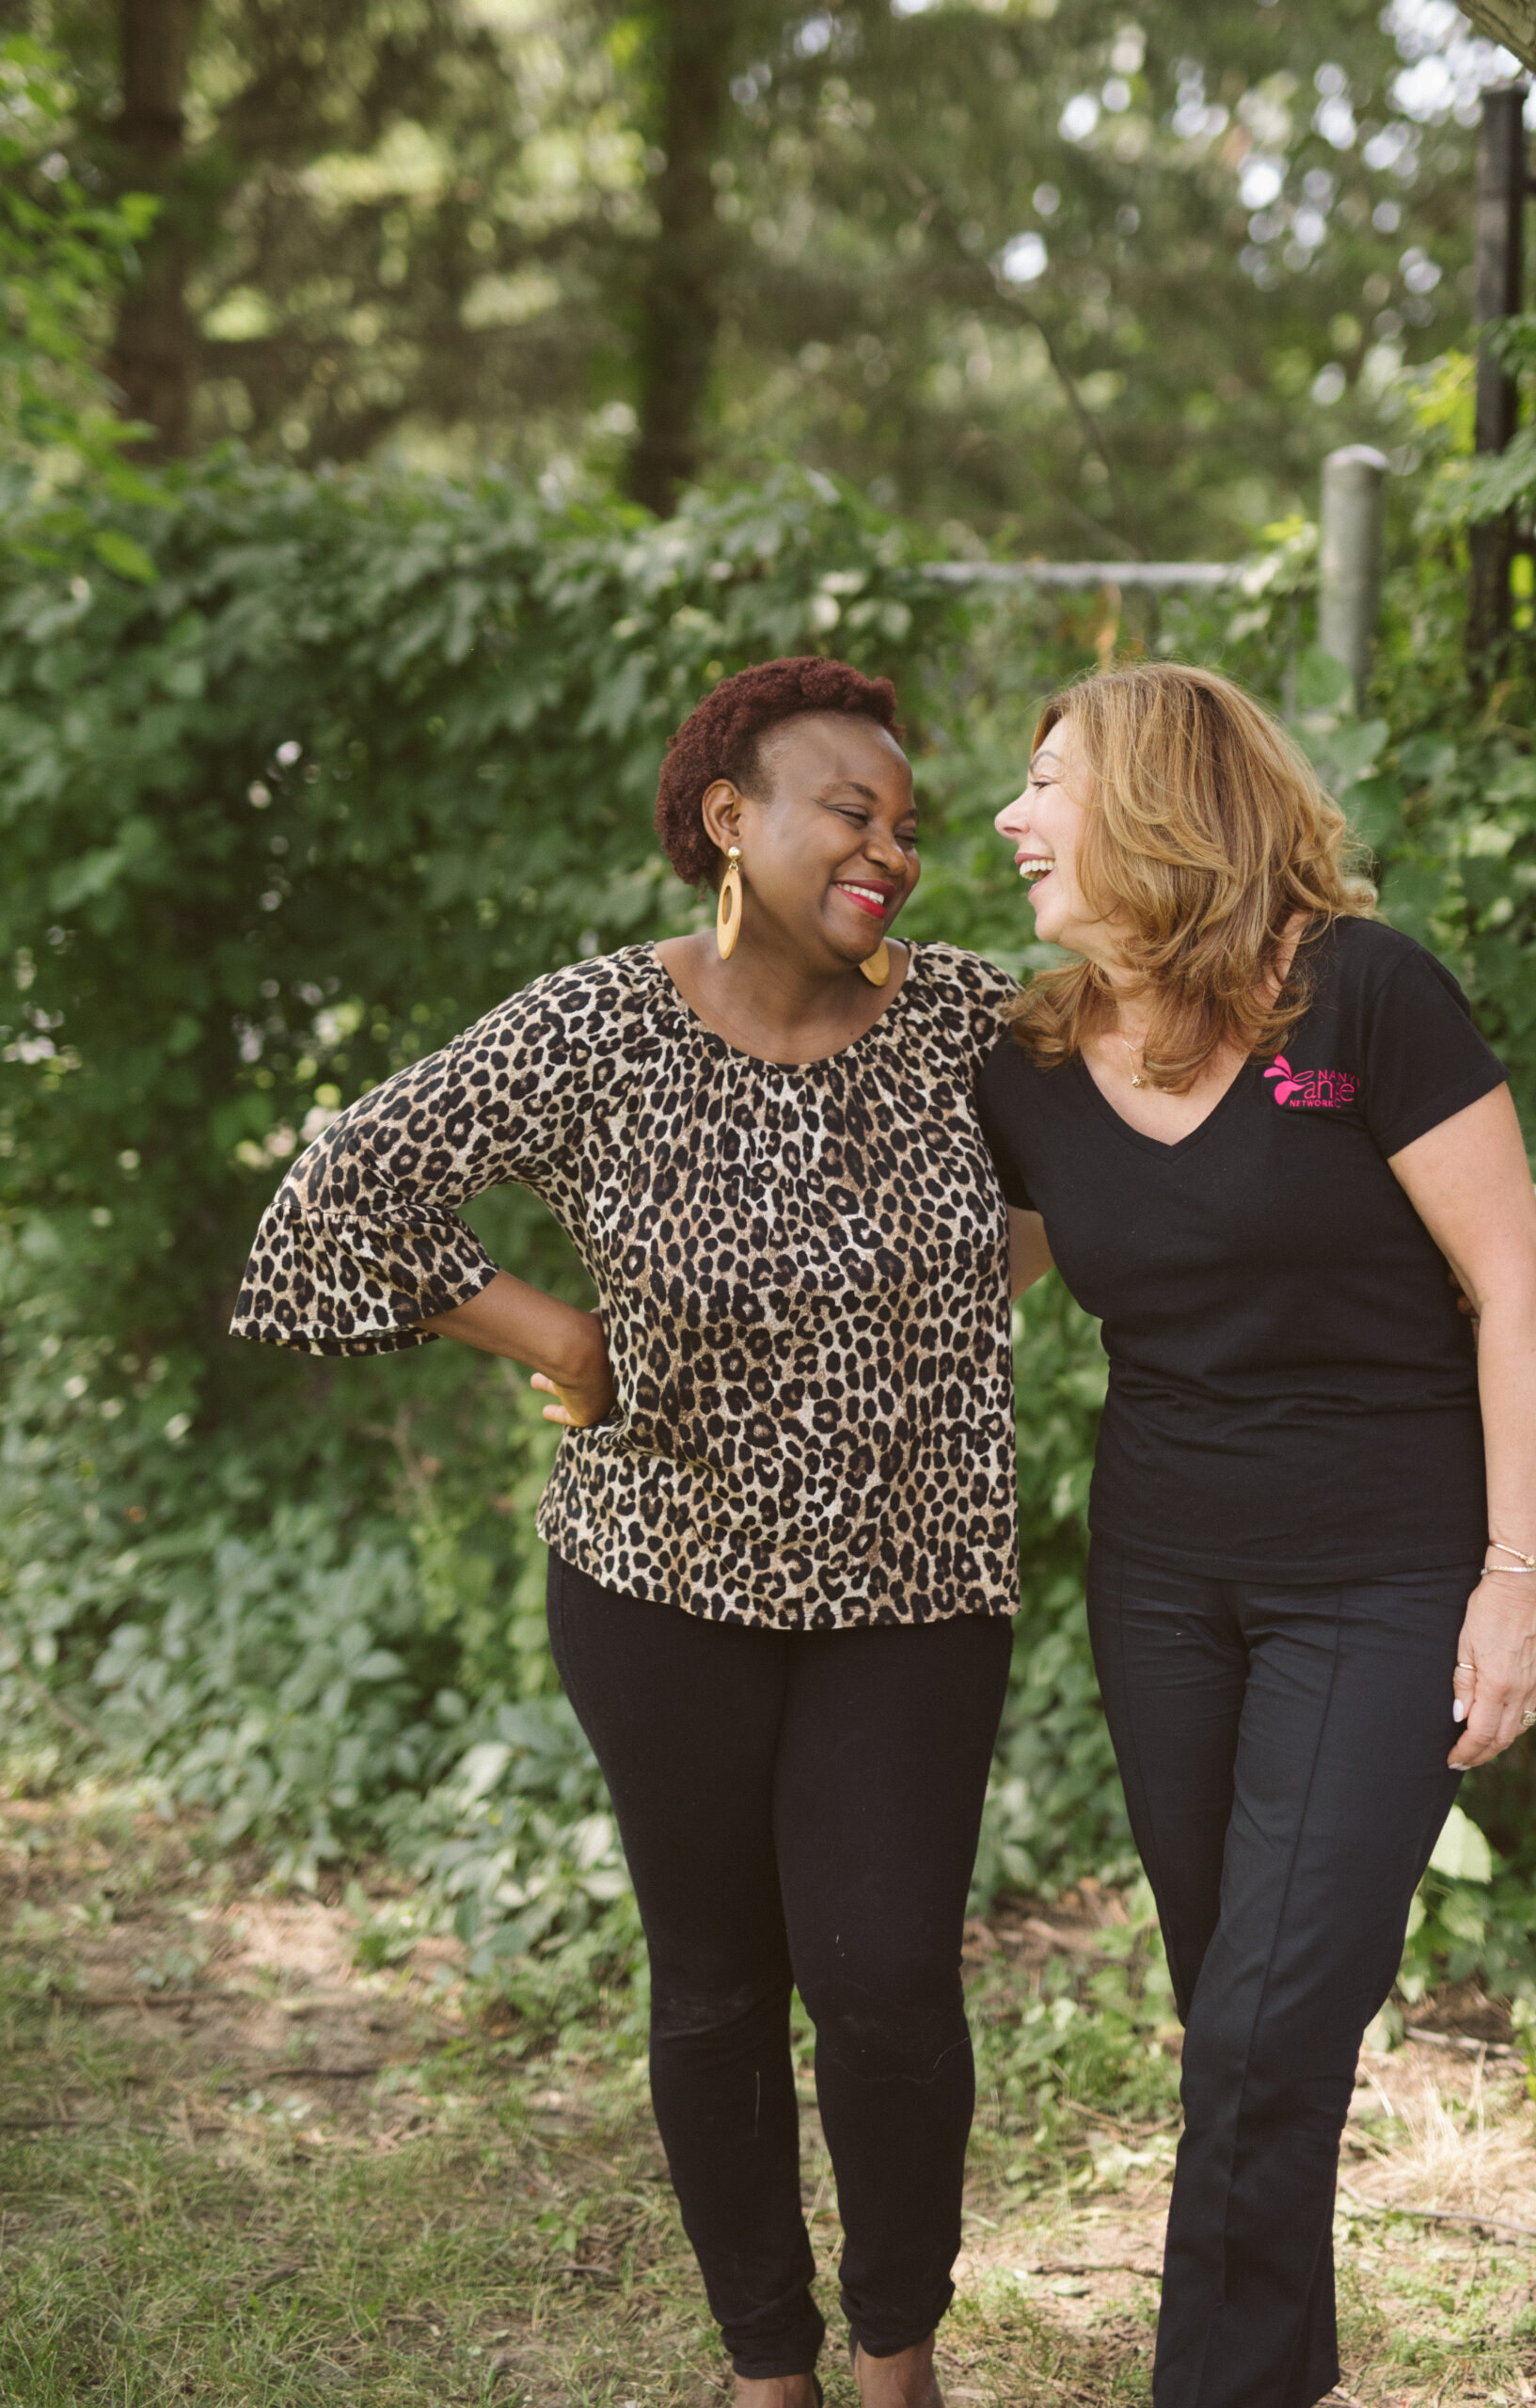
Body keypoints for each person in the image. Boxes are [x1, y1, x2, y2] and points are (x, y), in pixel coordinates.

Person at [230, 656, 1050, 2408]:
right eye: (852, 808)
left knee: (888, 1982)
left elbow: (1131, 1168)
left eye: (905, 825)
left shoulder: (973, 1022)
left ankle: (900, 2354)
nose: (890, 848)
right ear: (727, 818)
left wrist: (960, 1301)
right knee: (715, 1986)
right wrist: (556, 1336)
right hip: (658, 1582)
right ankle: (769, 2368)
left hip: (914, 1587)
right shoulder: (597, 1027)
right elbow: (338, 1193)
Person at [978, 662, 1536, 2408]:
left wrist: (1514, 1584)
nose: (1009, 821)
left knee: (1257, 2033)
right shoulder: (1028, 1063)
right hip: (1160, 1591)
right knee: (1240, 2024)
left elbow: (1512, 1288)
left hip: (1381, 1582)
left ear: (1160, 801)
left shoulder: (1364, 1000)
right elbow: (962, 1294)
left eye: (1044, 783)